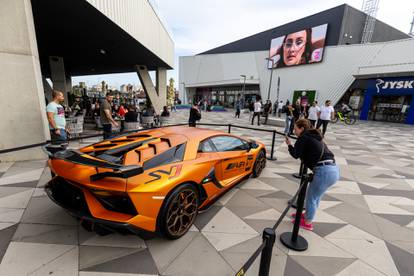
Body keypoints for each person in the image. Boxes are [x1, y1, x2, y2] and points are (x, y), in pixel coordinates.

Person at [285, 119, 339, 230]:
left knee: (311, 198)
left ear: (302, 129)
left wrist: (289, 145)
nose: (294, 131)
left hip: (323, 171)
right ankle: (307, 215)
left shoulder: (304, 137)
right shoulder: (314, 136)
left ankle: (308, 222)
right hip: (333, 169)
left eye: (295, 129)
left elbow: (296, 154)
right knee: (316, 197)